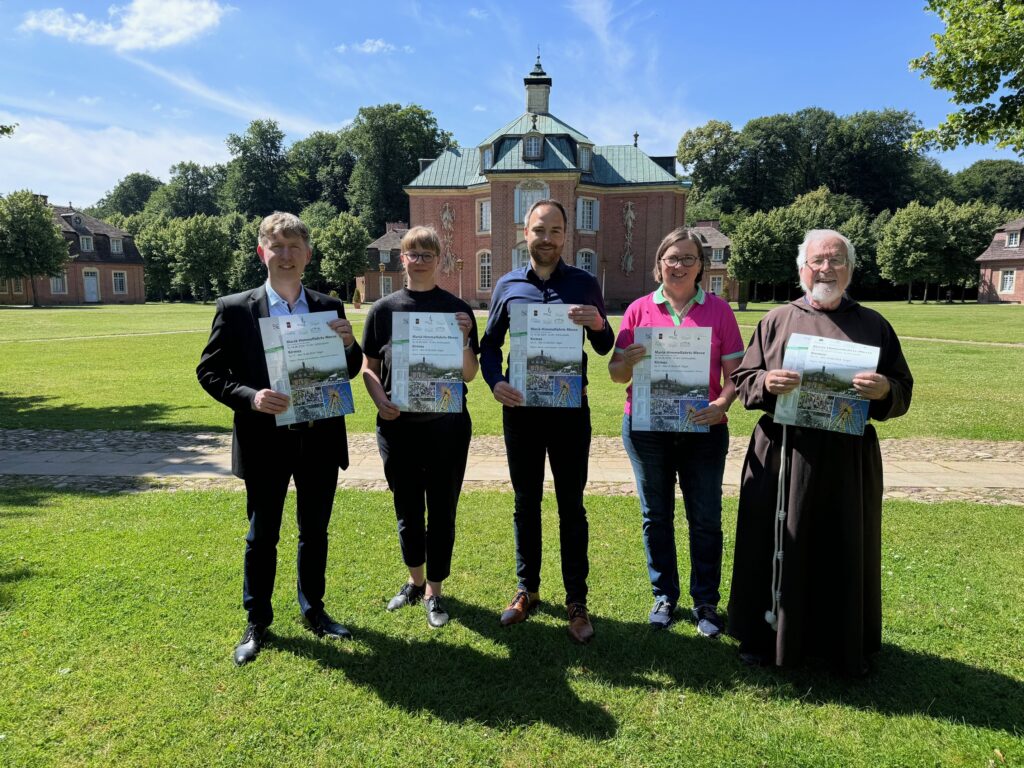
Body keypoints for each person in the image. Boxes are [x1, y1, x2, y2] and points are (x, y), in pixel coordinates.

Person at [727, 229, 913, 674]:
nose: (826, 269)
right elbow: (744, 380)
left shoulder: (874, 325)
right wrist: (766, 382)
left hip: (847, 459)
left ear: (850, 269)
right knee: (774, 543)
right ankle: (766, 639)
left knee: (841, 545)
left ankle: (839, 645)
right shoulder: (776, 320)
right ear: (802, 269)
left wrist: (885, 389)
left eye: (836, 260)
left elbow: (903, 390)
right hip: (784, 454)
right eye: (818, 261)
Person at [196, 211, 363, 666]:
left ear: (307, 255)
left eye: (294, 247)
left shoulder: (329, 306)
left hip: (319, 438)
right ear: (261, 252)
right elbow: (209, 372)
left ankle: (314, 610)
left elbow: (349, 370)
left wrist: (350, 345)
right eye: (277, 246)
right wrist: (251, 397)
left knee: (315, 532)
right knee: (262, 535)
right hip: (264, 440)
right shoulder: (236, 308)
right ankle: (258, 620)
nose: (286, 255)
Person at [480, 198, 614, 644]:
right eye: (539, 230)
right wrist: (496, 382)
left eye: (555, 231)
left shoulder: (584, 283)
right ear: (526, 233)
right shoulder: (508, 285)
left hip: (570, 413)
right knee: (526, 502)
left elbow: (604, 346)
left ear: (565, 235)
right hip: (521, 412)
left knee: (571, 505)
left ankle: (577, 600)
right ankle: (527, 589)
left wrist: (598, 324)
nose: (547, 238)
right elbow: (489, 346)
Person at [609, 227, 745, 634]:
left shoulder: (719, 311)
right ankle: (664, 595)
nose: (680, 265)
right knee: (656, 516)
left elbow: (736, 376)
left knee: (705, 517)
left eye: (689, 258)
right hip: (646, 430)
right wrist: (627, 361)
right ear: (659, 264)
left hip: (704, 430)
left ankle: (705, 602)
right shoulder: (638, 310)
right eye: (672, 258)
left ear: (700, 266)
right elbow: (616, 373)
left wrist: (721, 404)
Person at [361, 226, 479, 628]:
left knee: (442, 510)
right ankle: (414, 581)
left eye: (429, 254)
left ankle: (434, 590)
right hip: (398, 428)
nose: (421, 260)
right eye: (414, 253)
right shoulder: (383, 310)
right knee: (408, 509)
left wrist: (464, 339)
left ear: (439, 260)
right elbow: (369, 368)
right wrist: (380, 400)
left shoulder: (457, 310)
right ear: (402, 258)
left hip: (447, 428)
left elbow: (469, 374)